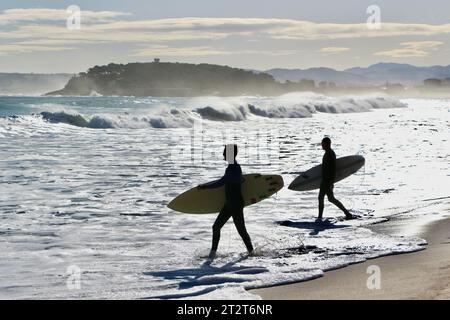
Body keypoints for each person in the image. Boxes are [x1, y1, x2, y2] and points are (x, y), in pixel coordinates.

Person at [198, 144, 254, 259]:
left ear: (229, 154)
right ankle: (212, 253)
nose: (223, 155)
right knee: (216, 227)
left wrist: (205, 187)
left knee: (241, 231)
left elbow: (221, 182)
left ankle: (252, 253)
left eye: (225, 153)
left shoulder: (234, 168)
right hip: (229, 204)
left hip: (236, 204)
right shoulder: (231, 168)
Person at [318, 137, 353, 220]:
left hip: (327, 180)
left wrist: (331, 182)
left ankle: (347, 213)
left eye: (323, 144)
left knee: (331, 199)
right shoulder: (327, 153)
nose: (322, 145)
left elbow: (333, 169)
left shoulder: (330, 154)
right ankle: (320, 216)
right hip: (324, 180)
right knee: (321, 198)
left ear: (327, 144)